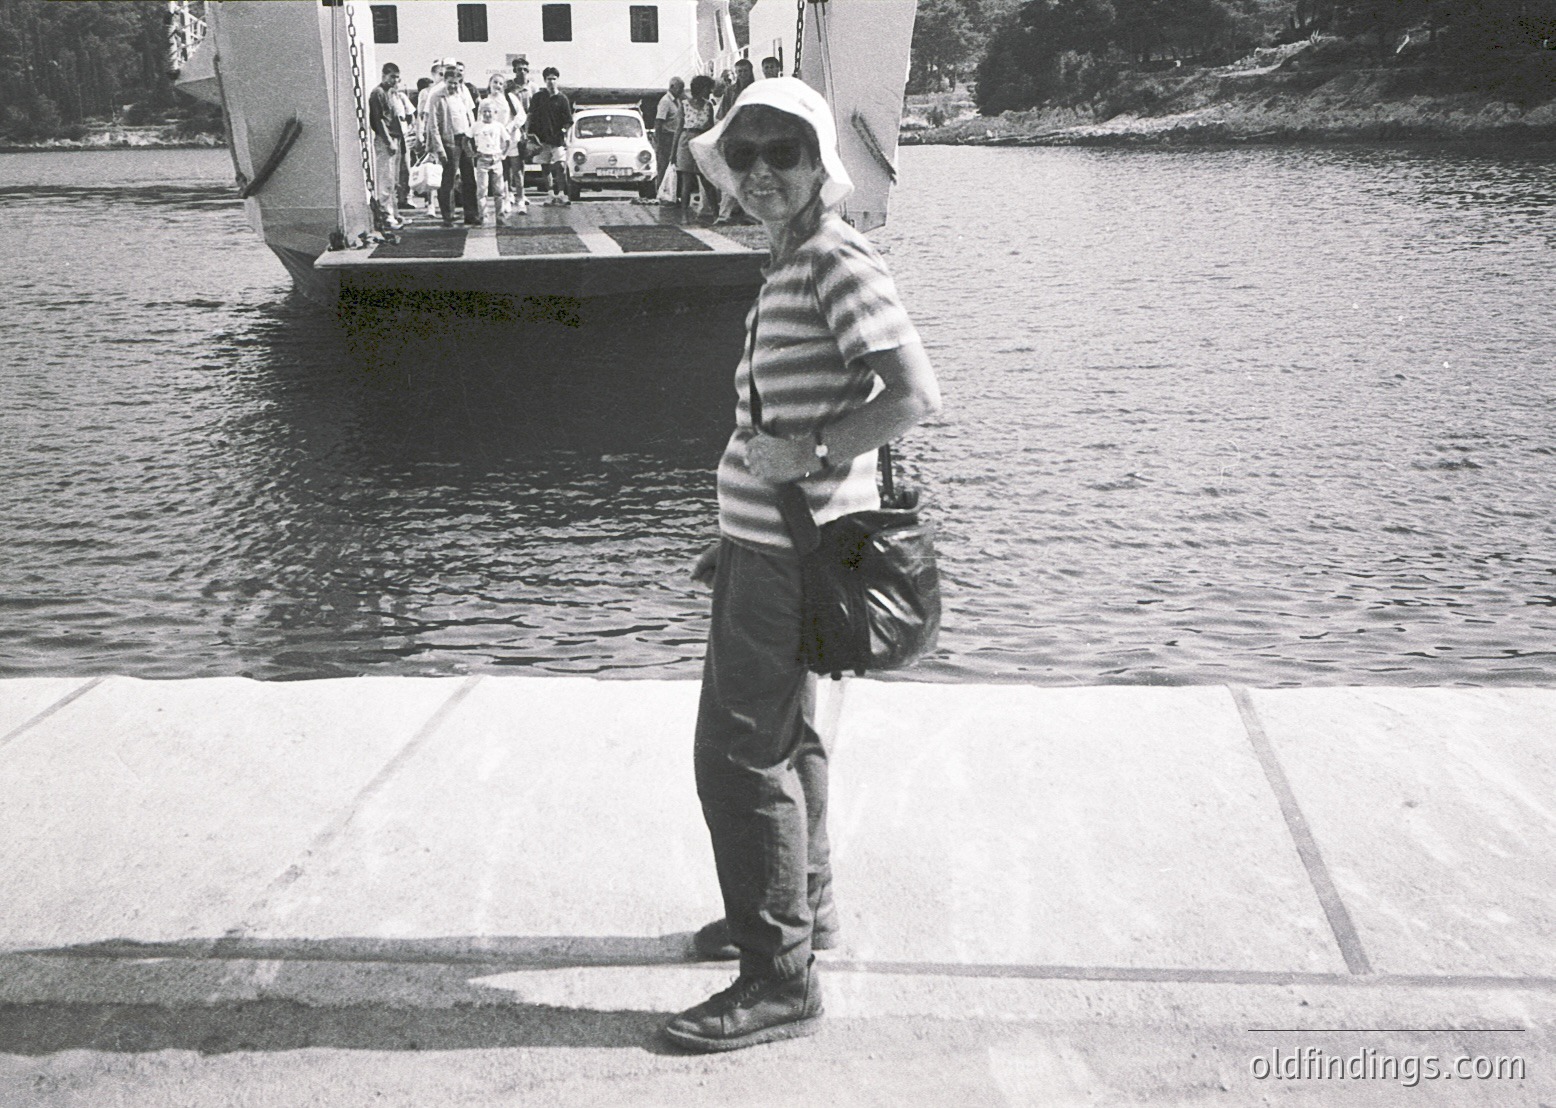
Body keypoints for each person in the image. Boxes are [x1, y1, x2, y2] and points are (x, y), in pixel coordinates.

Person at [665, 77, 941, 1053]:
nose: (759, 172)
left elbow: (912, 392)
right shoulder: (787, 261)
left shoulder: (832, 254)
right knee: (787, 740)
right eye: (742, 155)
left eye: (781, 151)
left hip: (786, 555)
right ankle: (799, 913)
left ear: (816, 162)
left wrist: (817, 450)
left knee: (737, 759)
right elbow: (772, 423)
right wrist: (736, 530)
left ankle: (777, 976)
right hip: (763, 547)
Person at [425, 63, 481, 225]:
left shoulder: (463, 94)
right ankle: (448, 216)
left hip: (464, 140)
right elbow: (433, 125)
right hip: (449, 142)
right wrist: (439, 148)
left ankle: (471, 214)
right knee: (448, 180)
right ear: (445, 81)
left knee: (469, 179)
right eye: (450, 82)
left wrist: (473, 139)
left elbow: (469, 116)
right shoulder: (436, 96)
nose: (453, 86)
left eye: (456, 83)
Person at [714, 59, 756, 224]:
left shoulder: (756, 89)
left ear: (751, 71)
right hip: (734, 138)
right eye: (739, 71)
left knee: (753, 176)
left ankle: (752, 215)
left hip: (753, 138)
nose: (742, 75)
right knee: (732, 175)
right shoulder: (730, 91)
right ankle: (724, 215)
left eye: (745, 71)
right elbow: (722, 116)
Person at [527, 66, 574, 205]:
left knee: (560, 167)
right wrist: (528, 133)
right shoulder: (538, 97)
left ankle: (561, 194)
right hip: (541, 139)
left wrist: (565, 133)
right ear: (544, 80)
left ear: (557, 80)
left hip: (557, 139)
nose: (551, 82)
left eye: (554, 79)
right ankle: (550, 194)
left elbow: (569, 121)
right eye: (548, 79)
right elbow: (530, 116)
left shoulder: (562, 99)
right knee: (545, 167)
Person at [368, 62, 405, 228]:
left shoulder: (392, 92)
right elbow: (379, 120)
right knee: (386, 178)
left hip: (396, 138)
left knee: (393, 180)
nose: (394, 80)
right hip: (386, 140)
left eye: (397, 77)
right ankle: (386, 215)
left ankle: (394, 213)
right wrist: (388, 141)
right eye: (392, 77)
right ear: (384, 75)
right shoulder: (378, 93)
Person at [674, 74, 716, 214]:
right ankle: (684, 215)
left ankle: (716, 213)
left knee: (706, 181)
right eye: (707, 89)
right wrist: (673, 152)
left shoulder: (708, 106)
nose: (710, 92)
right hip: (686, 141)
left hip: (702, 141)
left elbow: (710, 128)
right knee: (686, 181)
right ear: (700, 88)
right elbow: (679, 128)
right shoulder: (684, 105)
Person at [471, 99, 511, 219]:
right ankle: (483, 214)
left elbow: (508, 141)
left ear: (495, 113)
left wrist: (504, 154)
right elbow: (466, 139)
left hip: (496, 159)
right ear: (481, 112)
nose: (487, 114)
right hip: (483, 159)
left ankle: (500, 213)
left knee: (499, 190)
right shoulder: (476, 125)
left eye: (490, 112)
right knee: (482, 189)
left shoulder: (498, 126)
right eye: (484, 111)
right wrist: (472, 153)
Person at [653, 76, 684, 190]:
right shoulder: (665, 101)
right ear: (672, 87)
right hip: (666, 138)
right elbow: (659, 122)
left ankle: (672, 193)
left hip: (675, 137)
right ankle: (661, 191)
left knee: (674, 167)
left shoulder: (678, 101)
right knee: (664, 166)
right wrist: (659, 142)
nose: (681, 91)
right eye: (679, 88)